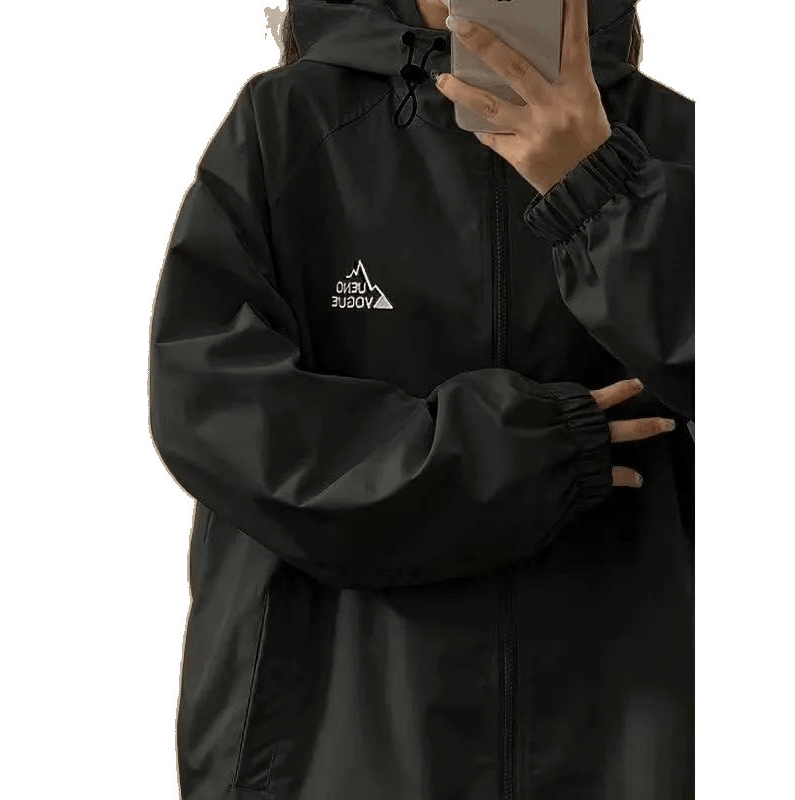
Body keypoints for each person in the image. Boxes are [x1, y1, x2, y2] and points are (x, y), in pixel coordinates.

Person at [148, 0, 694, 797]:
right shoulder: (288, 129)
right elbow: (217, 415)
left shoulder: (680, 141)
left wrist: (602, 191)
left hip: (626, 736)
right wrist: (516, 454)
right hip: (332, 741)